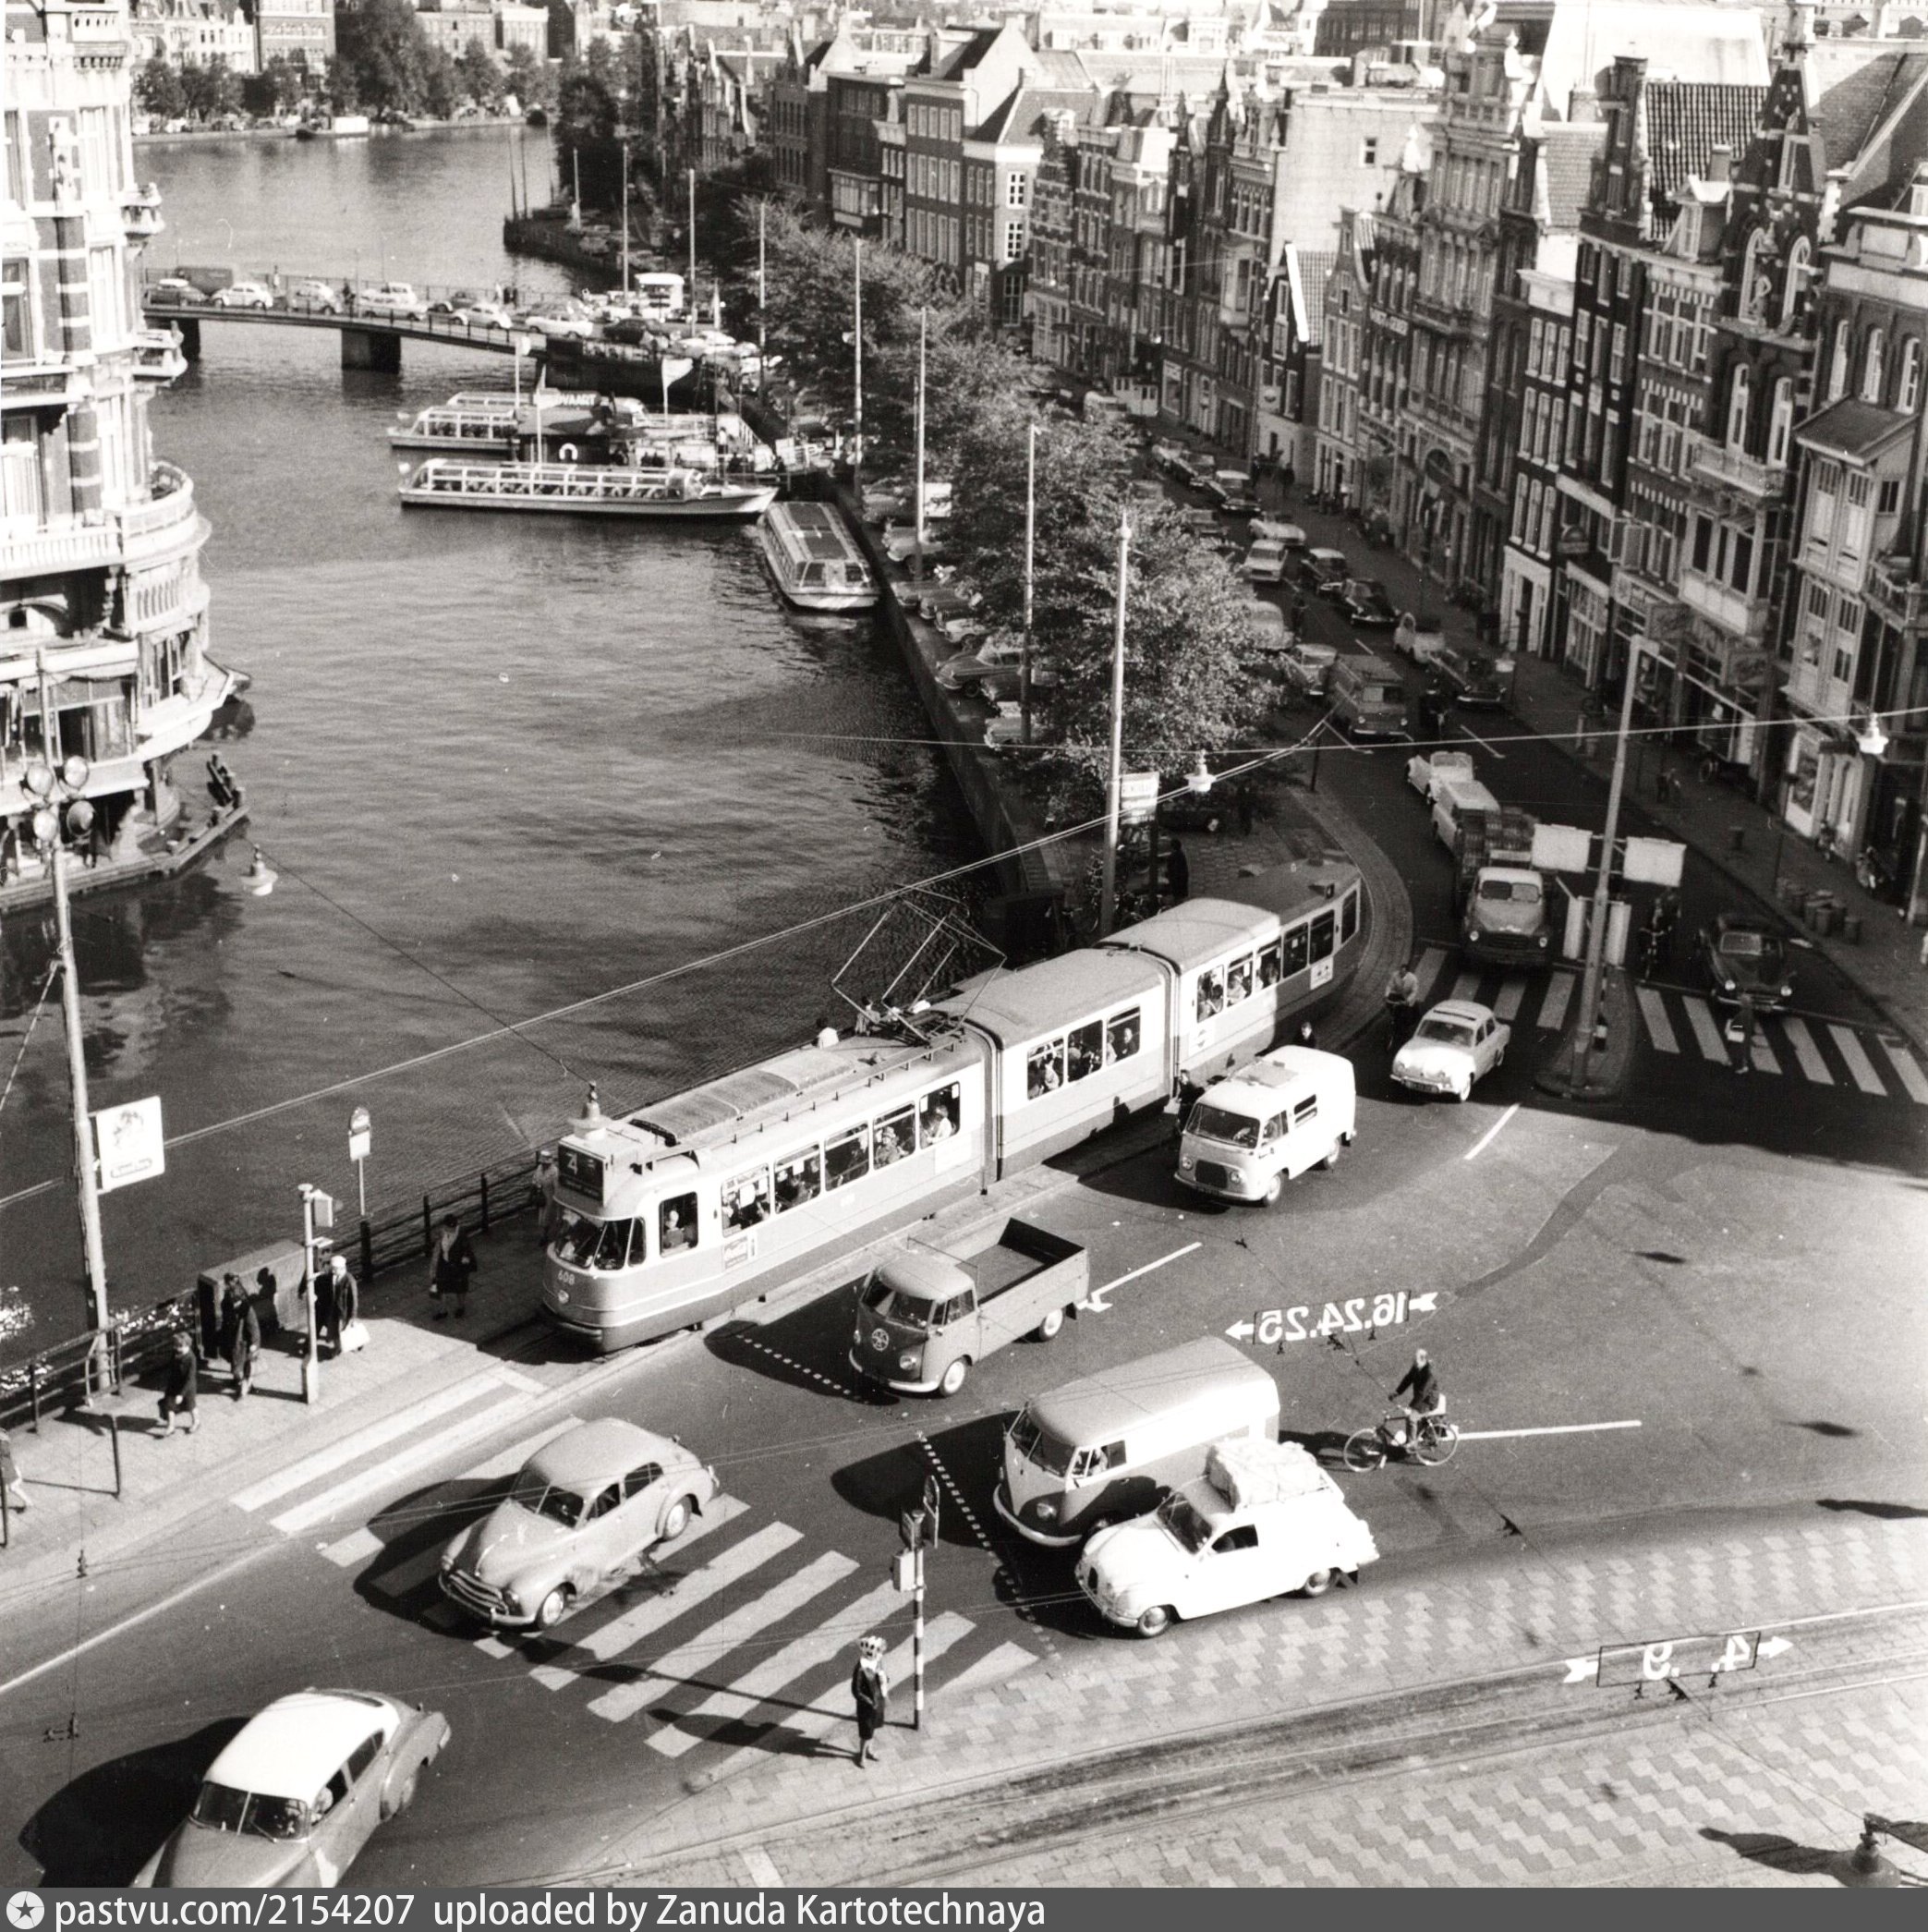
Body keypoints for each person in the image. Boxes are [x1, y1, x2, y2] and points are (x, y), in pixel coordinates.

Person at [850, 1634, 890, 1767]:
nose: (880, 1654)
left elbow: (882, 1677)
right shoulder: (860, 1668)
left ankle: (869, 1751)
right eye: (878, 1651)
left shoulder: (877, 1661)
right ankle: (862, 1756)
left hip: (878, 1700)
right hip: (867, 1706)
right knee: (866, 1733)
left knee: (873, 1728)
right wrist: (870, 1702)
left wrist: (884, 1678)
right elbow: (856, 1690)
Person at [1391, 1349, 1443, 1449]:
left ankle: (1411, 1444)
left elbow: (1422, 1393)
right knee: (1411, 1415)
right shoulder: (1417, 1367)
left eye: (1416, 1361)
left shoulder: (1430, 1374)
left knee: (1411, 1417)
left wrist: (1411, 1408)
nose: (1414, 1363)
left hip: (1428, 1401)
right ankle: (1411, 1439)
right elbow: (1408, 1379)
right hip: (1421, 1398)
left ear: (1423, 1360)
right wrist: (1397, 1392)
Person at [430, 1214, 477, 1319]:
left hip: (458, 1265)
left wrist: (465, 1259)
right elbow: (436, 1245)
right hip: (444, 1263)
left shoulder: (461, 1234)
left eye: (452, 1228)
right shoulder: (441, 1232)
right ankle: (443, 1310)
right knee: (440, 1286)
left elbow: (467, 1250)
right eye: (449, 1228)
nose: (451, 1230)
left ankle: (461, 1307)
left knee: (460, 1287)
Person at [220, 1274, 260, 1400]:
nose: (235, 1305)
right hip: (234, 1340)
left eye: (236, 1302)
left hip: (244, 1343)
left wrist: (254, 1344)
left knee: (245, 1365)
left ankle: (244, 1389)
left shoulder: (246, 1310)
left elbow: (254, 1328)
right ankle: (240, 1381)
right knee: (236, 1363)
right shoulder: (228, 1305)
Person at [158, 1331, 200, 1436]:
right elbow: (172, 1368)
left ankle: (196, 1422)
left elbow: (190, 1379)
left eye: (179, 1346)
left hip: (187, 1387)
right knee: (169, 1404)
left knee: (190, 1405)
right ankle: (171, 1426)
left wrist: (181, 1394)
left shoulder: (191, 1359)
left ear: (187, 1346)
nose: (176, 1349)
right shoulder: (175, 1353)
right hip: (174, 1384)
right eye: (176, 1346)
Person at [1384, 959, 1420, 1050]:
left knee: (1407, 1016)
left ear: (1407, 972)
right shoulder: (1395, 975)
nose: (1400, 974)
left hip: (1407, 997)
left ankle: (1404, 1033)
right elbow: (1389, 985)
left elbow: (1414, 992)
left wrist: (1407, 1001)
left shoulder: (1413, 979)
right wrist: (1386, 995)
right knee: (1392, 1007)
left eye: (1403, 972)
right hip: (1398, 995)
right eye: (1400, 971)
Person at [532, 1148, 562, 1248]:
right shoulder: (539, 1168)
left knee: (546, 1218)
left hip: (550, 1197)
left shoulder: (554, 1172)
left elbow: (556, 1188)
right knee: (541, 1218)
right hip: (542, 1195)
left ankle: (544, 1236)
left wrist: (557, 1200)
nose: (543, 1164)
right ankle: (545, 1234)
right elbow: (535, 1180)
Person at [1, 1425, 30, 1516]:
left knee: (11, 1487)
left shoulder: (2, 1446)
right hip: (8, 1468)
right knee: (11, 1487)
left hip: (6, 1470)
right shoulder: (4, 1441)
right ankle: (28, 1502)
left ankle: (28, 1502)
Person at [1731, 990, 1759, 1075]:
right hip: (1746, 1034)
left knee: (1740, 1050)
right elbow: (1751, 1024)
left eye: (1741, 1002)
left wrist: (1734, 1026)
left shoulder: (1743, 1014)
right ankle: (1736, 1063)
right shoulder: (1750, 1012)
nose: (1740, 1003)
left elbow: (1742, 1026)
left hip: (1741, 1034)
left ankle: (1743, 1067)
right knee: (1742, 1050)